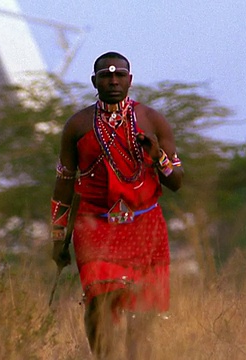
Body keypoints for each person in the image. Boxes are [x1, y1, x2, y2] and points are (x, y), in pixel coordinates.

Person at [50, 51, 183, 359]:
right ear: (94, 81)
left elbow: (177, 181)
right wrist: (58, 237)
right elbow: (64, 182)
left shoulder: (153, 120)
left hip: (145, 225)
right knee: (99, 301)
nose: (113, 81)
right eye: (106, 76)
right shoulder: (78, 125)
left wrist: (157, 157)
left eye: (119, 75)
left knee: (141, 316)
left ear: (130, 80)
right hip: (95, 226)